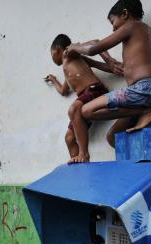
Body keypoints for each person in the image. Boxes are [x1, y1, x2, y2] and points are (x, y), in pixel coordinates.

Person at [66, 0, 151, 156]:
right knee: (113, 137)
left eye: (113, 22)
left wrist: (74, 46)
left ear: (125, 14)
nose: (113, 28)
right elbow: (130, 66)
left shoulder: (131, 26)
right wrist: (101, 63)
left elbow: (93, 48)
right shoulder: (149, 33)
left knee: (86, 111)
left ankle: (146, 110)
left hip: (143, 89)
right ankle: (135, 163)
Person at [45, 34, 122, 163]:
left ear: (57, 49)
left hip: (94, 90)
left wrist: (111, 62)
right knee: (69, 138)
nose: (52, 57)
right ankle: (81, 169)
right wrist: (54, 80)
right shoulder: (69, 66)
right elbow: (64, 91)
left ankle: (84, 154)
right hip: (85, 97)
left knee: (73, 110)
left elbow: (95, 42)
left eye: (51, 53)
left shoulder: (69, 53)